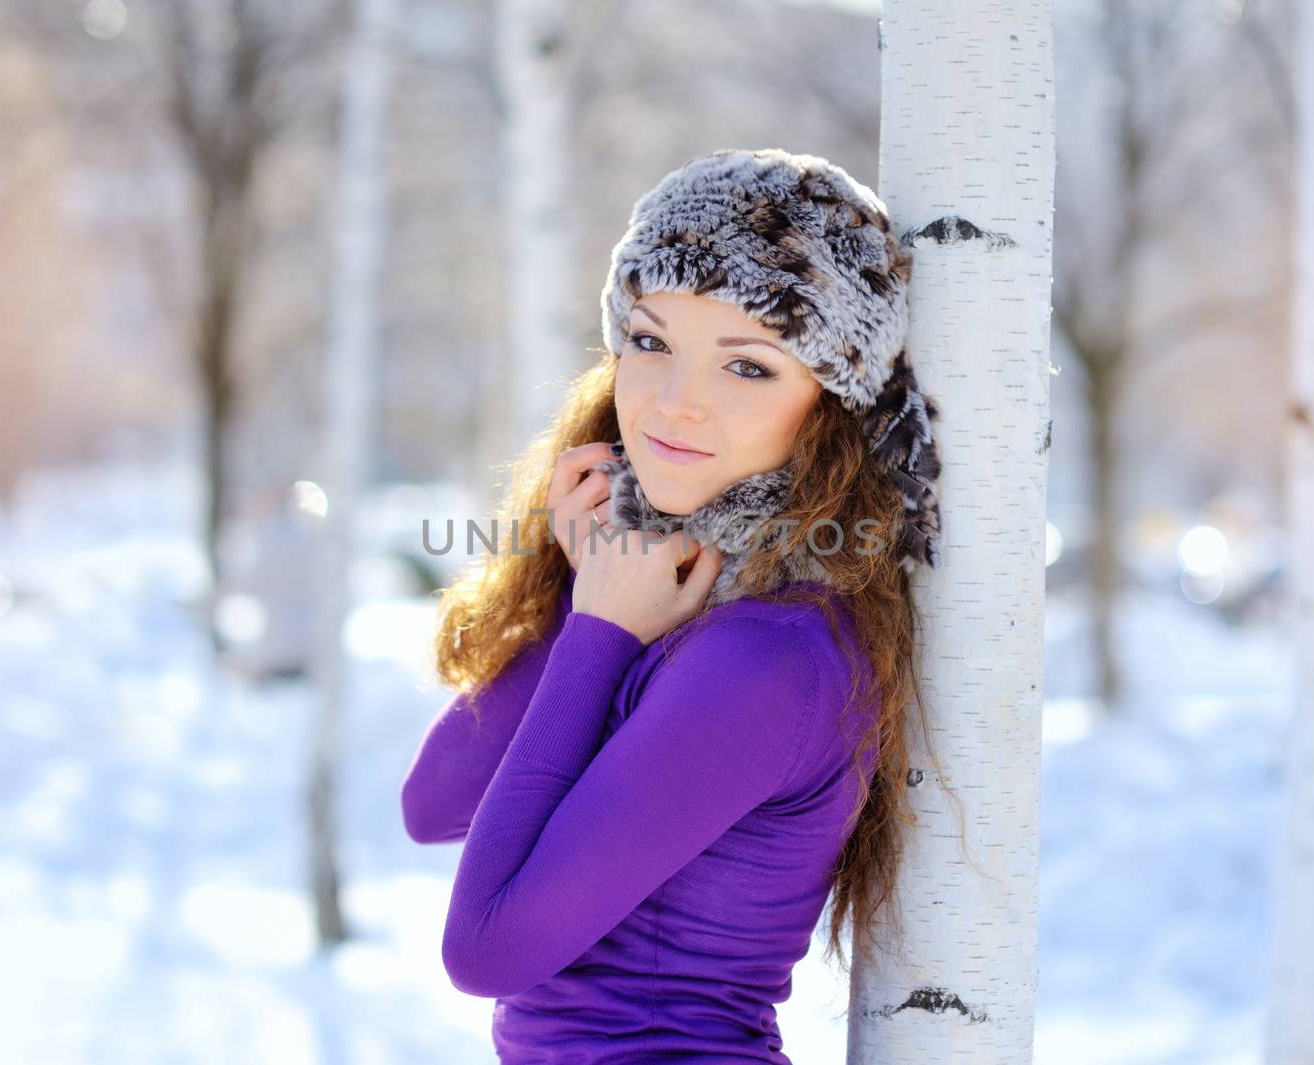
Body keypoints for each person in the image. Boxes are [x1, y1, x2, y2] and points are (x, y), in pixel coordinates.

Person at [400, 147, 943, 1063]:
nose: (674, 404)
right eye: (650, 343)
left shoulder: (773, 654)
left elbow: (485, 948)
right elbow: (436, 800)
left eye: (749, 367)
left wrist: (599, 633)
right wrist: (590, 584)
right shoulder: (683, 603)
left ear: (831, 406)